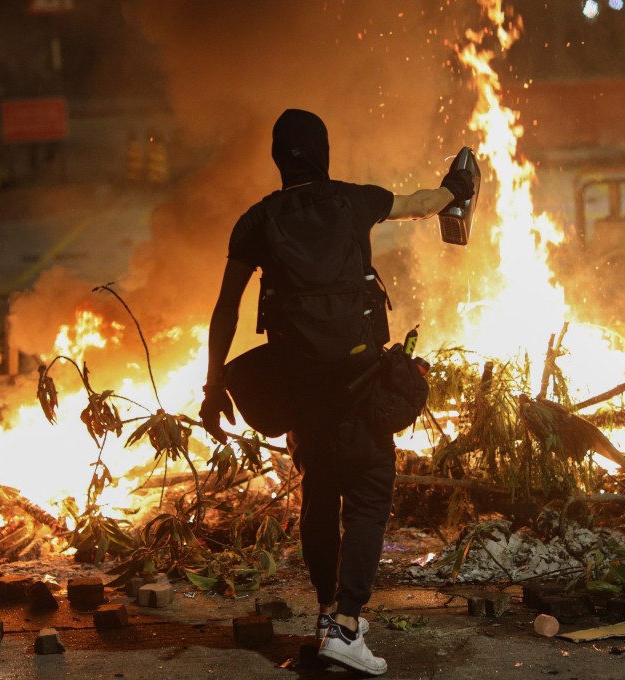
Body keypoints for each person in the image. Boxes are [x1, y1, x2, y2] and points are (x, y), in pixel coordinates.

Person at [199, 108, 474, 676]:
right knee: (370, 495)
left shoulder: (254, 222)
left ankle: (327, 614)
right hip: (360, 384)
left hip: (301, 390)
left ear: (279, 159)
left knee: (319, 495)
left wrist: (213, 383)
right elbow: (423, 204)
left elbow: (225, 311)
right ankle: (347, 627)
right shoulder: (354, 200)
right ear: (323, 154)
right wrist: (454, 189)